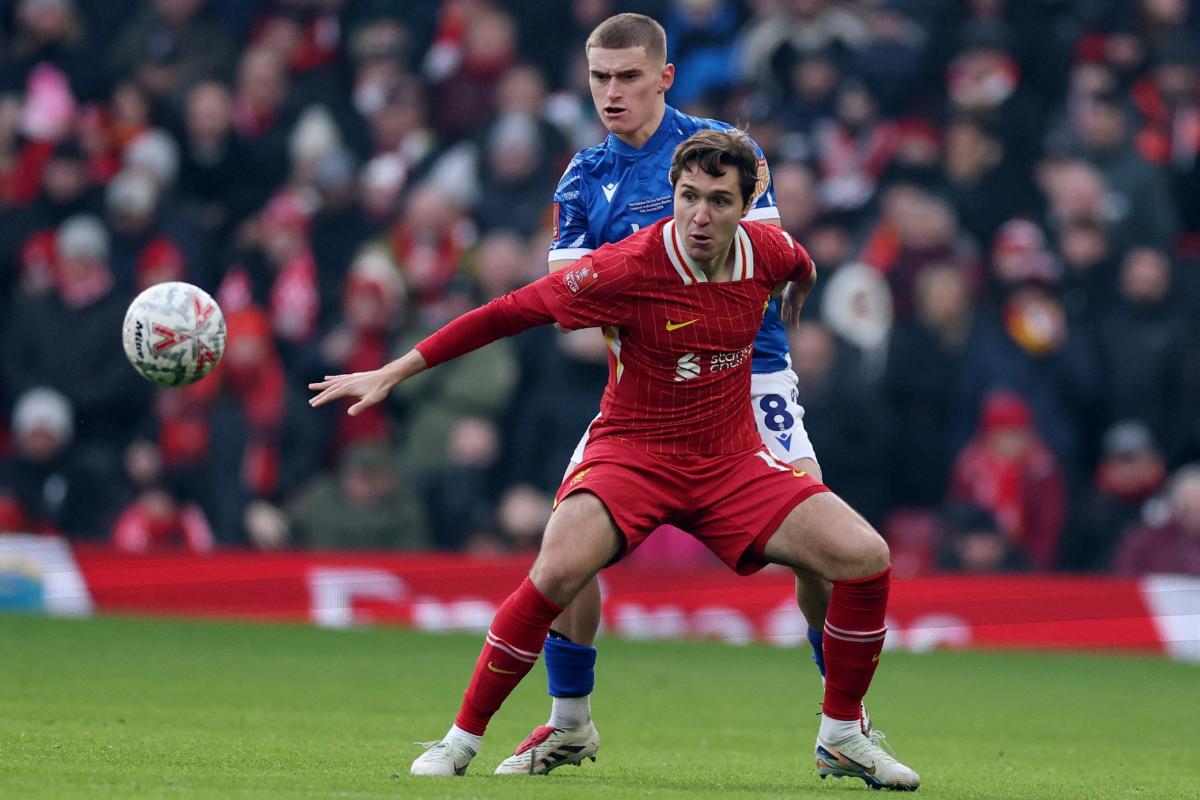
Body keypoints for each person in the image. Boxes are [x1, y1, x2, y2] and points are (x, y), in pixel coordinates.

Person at [310, 129, 920, 790]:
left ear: (748, 205)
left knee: (866, 558)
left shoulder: (767, 251)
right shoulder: (629, 266)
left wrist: (795, 297)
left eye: (719, 200)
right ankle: (461, 740)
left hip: (731, 460)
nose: (700, 214)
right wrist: (397, 370)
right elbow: (507, 313)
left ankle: (842, 734)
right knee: (558, 569)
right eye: (688, 196)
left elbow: (798, 263)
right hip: (633, 453)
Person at [488, 12, 858, 776]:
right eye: (600, 78)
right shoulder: (584, 177)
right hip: (647, 385)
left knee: (823, 559)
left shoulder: (726, 155)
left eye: (628, 77)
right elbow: (568, 306)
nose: (612, 93)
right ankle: (570, 722)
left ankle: (843, 725)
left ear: (664, 77)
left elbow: (755, 269)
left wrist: (637, 285)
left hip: (749, 373)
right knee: (567, 547)